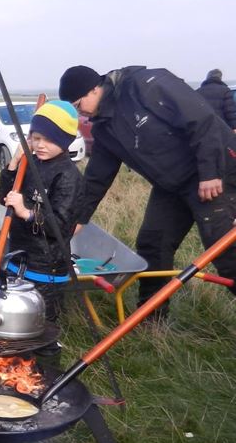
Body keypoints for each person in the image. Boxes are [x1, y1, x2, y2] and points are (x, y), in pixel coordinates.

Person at [59, 64, 236, 319]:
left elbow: (201, 120)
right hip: (172, 187)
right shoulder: (104, 128)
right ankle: (152, 319)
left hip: (212, 173)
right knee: (153, 243)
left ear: (95, 88)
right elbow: (96, 180)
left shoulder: (147, 84)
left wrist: (210, 172)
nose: (81, 114)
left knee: (224, 252)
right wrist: (77, 219)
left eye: (78, 104)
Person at [0, 101, 83, 354]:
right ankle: (12, 366)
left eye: (48, 139)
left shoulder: (68, 176)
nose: (40, 145)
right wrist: (13, 165)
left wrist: (26, 212)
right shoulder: (29, 164)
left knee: (40, 323)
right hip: (18, 257)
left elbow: (61, 225)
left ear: (65, 141)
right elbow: (6, 197)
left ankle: (44, 369)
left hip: (47, 267)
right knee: (13, 318)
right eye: (35, 138)